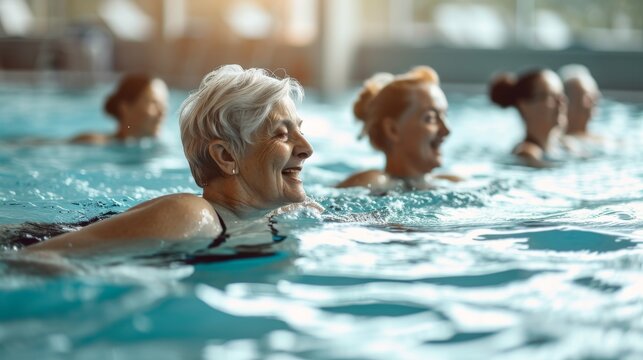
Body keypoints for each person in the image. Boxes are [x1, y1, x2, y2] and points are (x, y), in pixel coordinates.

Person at [20, 65, 316, 257]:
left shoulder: (280, 214)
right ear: (226, 156)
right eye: (282, 134)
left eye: (300, 130)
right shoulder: (189, 215)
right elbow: (33, 259)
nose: (307, 148)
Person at [337, 66, 457, 193]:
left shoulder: (453, 182)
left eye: (445, 115)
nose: (446, 130)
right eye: (431, 118)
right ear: (392, 130)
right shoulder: (373, 182)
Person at [489, 68, 567, 168]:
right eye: (550, 95)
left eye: (561, 94)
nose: (561, 102)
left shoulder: (563, 146)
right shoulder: (526, 153)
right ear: (524, 105)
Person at [70, 74, 169, 144]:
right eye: (154, 103)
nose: (162, 111)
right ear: (125, 107)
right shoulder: (92, 143)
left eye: (164, 104)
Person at [559, 64, 601, 140]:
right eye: (578, 99)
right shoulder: (557, 141)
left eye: (591, 98)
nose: (587, 104)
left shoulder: (604, 141)